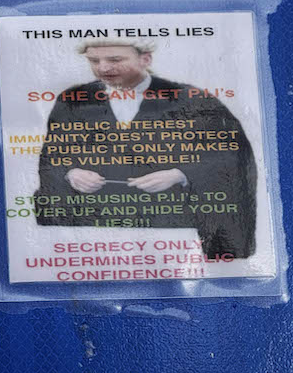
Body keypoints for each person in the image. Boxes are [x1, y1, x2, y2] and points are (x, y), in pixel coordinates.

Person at [34, 39, 257, 259]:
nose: (103, 68)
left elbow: (232, 157)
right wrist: (71, 172)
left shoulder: (191, 100)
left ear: (145, 59)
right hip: (96, 232)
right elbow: (52, 156)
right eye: (94, 60)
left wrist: (180, 174)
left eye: (114, 59)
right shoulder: (72, 100)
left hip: (173, 230)